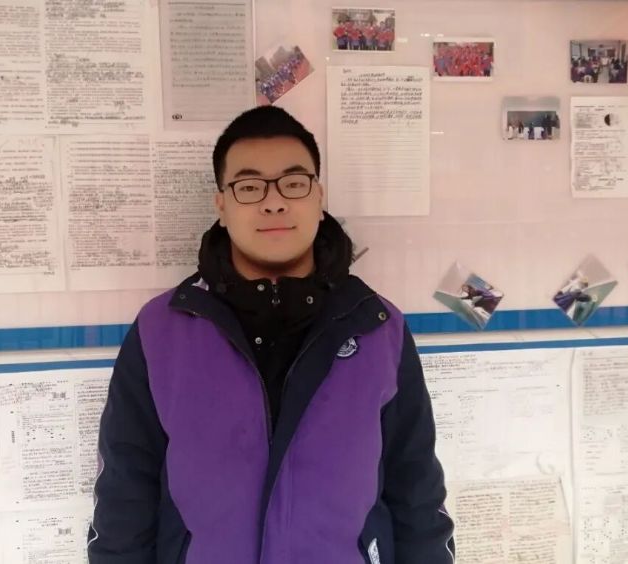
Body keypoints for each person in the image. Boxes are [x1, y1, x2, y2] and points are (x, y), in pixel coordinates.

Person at [87, 106, 455, 564]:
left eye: (293, 183)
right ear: (221, 206)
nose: (274, 202)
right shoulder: (162, 330)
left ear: (318, 196)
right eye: (249, 187)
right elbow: (123, 499)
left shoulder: (378, 328)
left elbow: (417, 496)